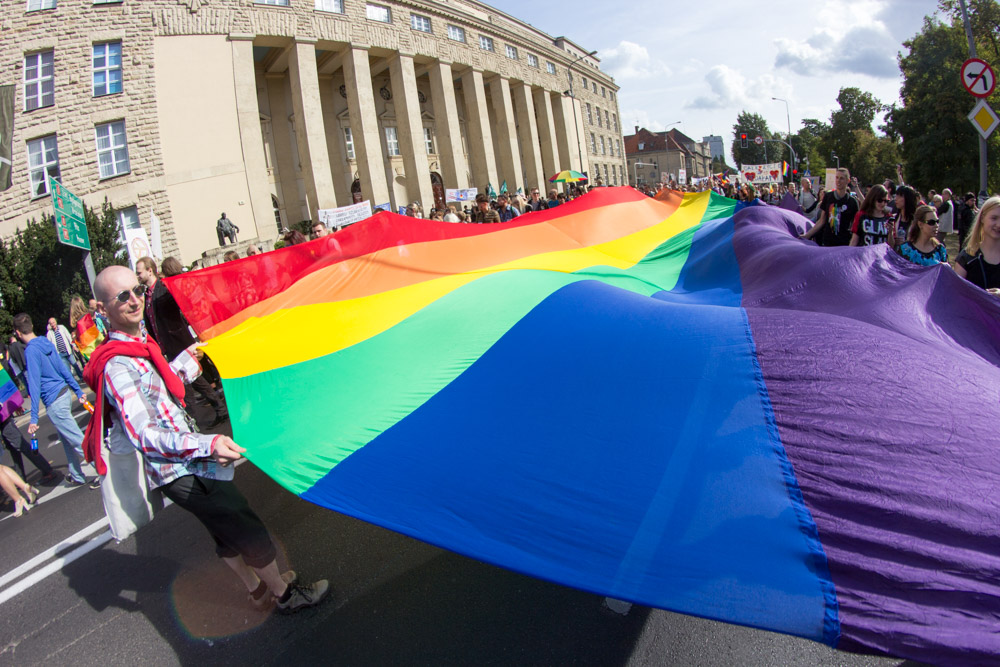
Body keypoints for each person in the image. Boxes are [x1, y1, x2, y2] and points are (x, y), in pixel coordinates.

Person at [86, 265, 329, 612]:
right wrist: (208, 444)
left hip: (184, 462)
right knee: (242, 523)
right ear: (102, 308)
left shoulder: (138, 345)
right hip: (180, 468)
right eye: (123, 296)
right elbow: (144, 434)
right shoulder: (116, 365)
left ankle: (257, 589)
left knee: (222, 528)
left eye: (137, 290)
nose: (135, 300)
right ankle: (285, 595)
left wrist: (185, 362)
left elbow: (159, 390)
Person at [137, 256, 228, 427]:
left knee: (185, 384)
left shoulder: (164, 288)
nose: (138, 276)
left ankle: (192, 423)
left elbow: (182, 302)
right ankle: (219, 409)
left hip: (179, 342)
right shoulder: (147, 295)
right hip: (167, 346)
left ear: (150, 271)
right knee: (196, 380)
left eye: (139, 272)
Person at [13, 313, 100, 488]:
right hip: (64, 392)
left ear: (18, 333)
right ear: (31, 326)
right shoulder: (45, 342)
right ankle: (76, 474)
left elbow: (34, 384)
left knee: (76, 438)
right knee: (66, 438)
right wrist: (76, 389)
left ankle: (102, 470)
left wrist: (34, 418)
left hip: (53, 400)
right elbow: (62, 367)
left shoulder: (31, 351)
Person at [802, 168, 859, 247]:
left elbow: (855, 227)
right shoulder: (828, 197)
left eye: (841, 178)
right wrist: (807, 235)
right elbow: (822, 221)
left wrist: (852, 245)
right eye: (837, 177)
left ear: (847, 181)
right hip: (828, 242)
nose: (838, 181)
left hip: (844, 243)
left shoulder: (852, 202)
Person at [954, 195, 1000, 293]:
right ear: (982, 218)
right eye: (994, 218)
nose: (999, 224)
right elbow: (955, 295)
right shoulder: (967, 257)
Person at [47, 317, 84, 382]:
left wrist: (74, 346)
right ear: (50, 324)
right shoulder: (49, 333)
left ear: (56, 322)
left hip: (68, 351)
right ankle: (73, 381)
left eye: (53, 322)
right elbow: (49, 345)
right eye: (51, 323)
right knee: (67, 369)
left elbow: (69, 337)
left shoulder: (62, 328)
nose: (53, 324)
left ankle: (81, 378)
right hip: (60, 354)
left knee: (75, 365)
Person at [70, 295, 105, 361]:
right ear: (82, 304)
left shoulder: (75, 323)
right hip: (97, 342)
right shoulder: (88, 315)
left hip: (88, 350)